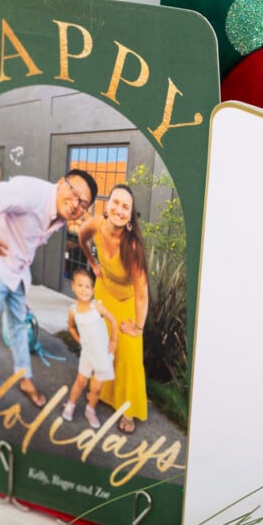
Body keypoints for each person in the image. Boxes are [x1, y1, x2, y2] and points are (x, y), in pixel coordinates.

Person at [0, 169, 98, 427]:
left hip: (17, 270)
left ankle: (24, 378)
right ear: (61, 183)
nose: (76, 204)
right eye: (73, 192)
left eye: (83, 204)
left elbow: (29, 239)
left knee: (18, 326)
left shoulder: (58, 217)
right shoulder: (31, 192)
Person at [78, 182, 148, 434]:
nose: (119, 209)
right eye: (116, 202)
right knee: (101, 343)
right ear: (107, 207)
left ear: (130, 216)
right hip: (104, 292)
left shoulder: (132, 248)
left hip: (127, 301)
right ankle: (102, 391)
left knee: (128, 354)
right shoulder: (96, 224)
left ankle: (128, 410)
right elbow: (81, 237)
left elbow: (142, 295)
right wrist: (93, 263)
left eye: (125, 206)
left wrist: (138, 327)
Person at [61, 266, 118, 430]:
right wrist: (80, 340)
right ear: (72, 286)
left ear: (92, 289)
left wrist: (113, 341)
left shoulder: (96, 307)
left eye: (88, 286)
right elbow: (71, 327)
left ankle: (90, 409)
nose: (84, 290)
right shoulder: (73, 311)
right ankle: (70, 405)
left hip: (102, 353)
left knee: (96, 387)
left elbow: (113, 320)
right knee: (81, 381)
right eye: (80, 285)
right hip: (87, 353)